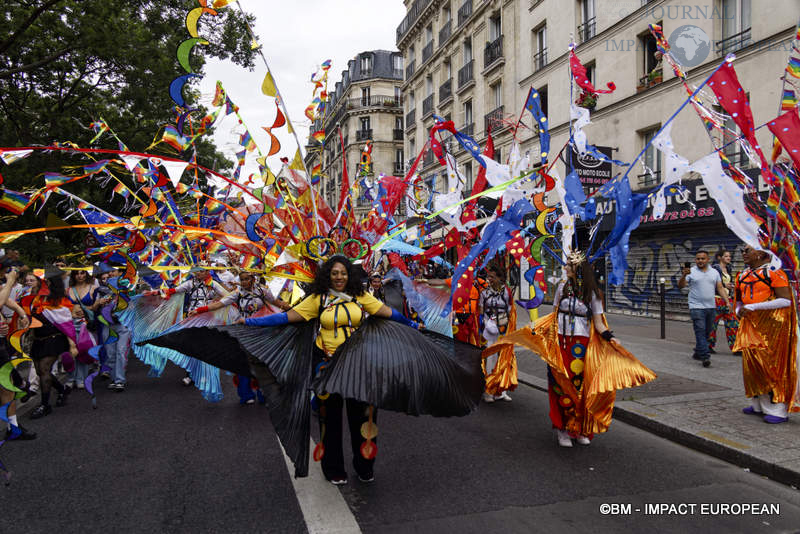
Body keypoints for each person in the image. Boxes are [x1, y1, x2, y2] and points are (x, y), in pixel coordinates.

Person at [240, 256, 421, 485]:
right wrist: (251, 323)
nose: (339, 277)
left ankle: (364, 466)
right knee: (330, 420)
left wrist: (413, 325)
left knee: (363, 418)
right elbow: (287, 317)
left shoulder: (360, 296)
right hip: (327, 365)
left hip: (358, 366)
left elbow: (387, 313)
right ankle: (334, 469)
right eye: (335, 273)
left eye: (343, 273)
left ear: (350, 275)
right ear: (328, 275)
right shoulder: (319, 298)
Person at [485, 251, 656, 447]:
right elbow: (554, 316)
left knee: (581, 388)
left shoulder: (593, 293)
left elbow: (599, 323)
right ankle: (563, 429)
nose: (565, 267)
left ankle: (581, 428)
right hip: (561, 344)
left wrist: (611, 337)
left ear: (578, 268)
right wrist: (541, 337)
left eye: (568, 265)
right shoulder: (561, 288)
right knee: (560, 387)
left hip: (582, 346)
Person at [191, 270, 289, 404]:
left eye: (247, 279)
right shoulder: (237, 293)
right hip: (244, 331)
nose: (244, 282)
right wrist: (199, 310)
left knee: (263, 362)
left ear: (253, 279)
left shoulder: (262, 290)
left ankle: (263, 393)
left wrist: (293, 309)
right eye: (242, 279)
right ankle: (246, 394)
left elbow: (276, 302)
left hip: (261, 330)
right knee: (244, 362)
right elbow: (220, 304)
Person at [733, 246, 798, 424]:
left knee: (771, 367)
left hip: (772, 328)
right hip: (750, 326)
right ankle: (758, 405)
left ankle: (778, 410)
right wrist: (739, 309)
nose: (743, 253)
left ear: (761, 253)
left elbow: (785, 300)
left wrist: (754, 307)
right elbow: (738, 299)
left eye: (747, 250)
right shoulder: (742, 274)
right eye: (742, 250)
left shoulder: (775, 272)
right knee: (751, 366)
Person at [24, 266, 78, 419]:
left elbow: (66, 324)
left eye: (44, 281)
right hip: (38, 340)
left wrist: (72, 344)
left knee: (44, 368)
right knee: (41, 372)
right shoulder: (35, 298)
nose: (41, 283)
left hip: (54, 339)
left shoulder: (60, 300)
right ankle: (62, 390)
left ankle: (45, 405)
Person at [0, 266, 35, 440]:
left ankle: (12, 428)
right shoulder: (7, 283)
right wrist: (10, 282)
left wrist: (21, 314)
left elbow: (4, 299)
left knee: (8, 385)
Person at [678, 249, 729, 367]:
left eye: (702, 258)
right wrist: (684, 275)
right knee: (700, 330)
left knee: (707, 332)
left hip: (711, 307)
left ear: (708, 259)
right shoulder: (691, 272)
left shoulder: (715, 272)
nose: (700, 261)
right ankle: (705, 356)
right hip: (696, 306)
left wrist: (727, 301)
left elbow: (720, 287)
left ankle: (698, 352)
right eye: (698, 259)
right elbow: (680, 286)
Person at [479, 264, 516, 403]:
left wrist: (508, 326)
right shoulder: (484, 293)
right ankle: (488, 390)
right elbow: (481, 311)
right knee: (490, 358)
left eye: (492, 277)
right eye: (489, 276)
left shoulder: (507, 292)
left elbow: (511, 309)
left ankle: (501, 390)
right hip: (489, 326)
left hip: (503, 325)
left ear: (500, 278)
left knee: (504, 357)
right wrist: (483, 326)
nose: (489, 279)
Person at [93, 264, 130, 392]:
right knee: (110, 353)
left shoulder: (127, 286)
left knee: (121, 351)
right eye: (108, 271)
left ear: (119, 272)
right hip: (107, 325)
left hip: (123, 324)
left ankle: (120, 380)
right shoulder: (100, 289)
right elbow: (95, 306)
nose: (110, 273)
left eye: (113, 271)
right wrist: (100, 302)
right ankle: (115, 379)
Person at [66, 267, 101, 389]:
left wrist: (91, 307)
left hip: (86, 323)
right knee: (70, 351)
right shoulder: (68, 290)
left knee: (84, 350)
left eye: (82, 273)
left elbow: (97, 307)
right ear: (73, 276)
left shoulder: (94, 288)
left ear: (86, 274)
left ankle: (81, 378)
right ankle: (71, 377)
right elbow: (64, 307)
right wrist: (72, 312)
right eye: (77, 273)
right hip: (70, 323)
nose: (80, 276)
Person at [709, 248, 739, 353]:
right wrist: (723, 285)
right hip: (716, 299)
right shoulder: (714, 269)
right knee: (713, 324)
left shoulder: (729, 268)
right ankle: (709, 346)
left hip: (728, 299)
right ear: (719, 257)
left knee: (733, 323)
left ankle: (736, 347)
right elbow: (711, 283)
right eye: (726, 256)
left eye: (729, 256)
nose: (729, 258)